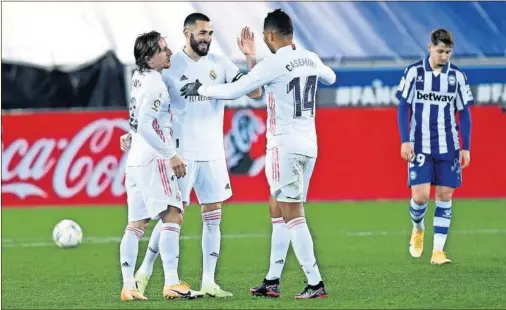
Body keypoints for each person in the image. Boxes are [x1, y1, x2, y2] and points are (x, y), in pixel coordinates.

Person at [180, 9, 336, 299]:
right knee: (277, 208)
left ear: (271, 36)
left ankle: (315, 283)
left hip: (284, 146)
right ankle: (272, 280)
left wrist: (201, 88)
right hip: (309, 146)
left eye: (266, 38)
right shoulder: (311, 57)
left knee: (292, 213)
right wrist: (300, 61)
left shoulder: (274, 63)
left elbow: (238, 89)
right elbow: (330, 76)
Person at [121, 13, 262, 298]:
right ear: (187, 33)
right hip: (179, 152)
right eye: (202, 33)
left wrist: (250, 58)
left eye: (209, 33)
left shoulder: (220, 63)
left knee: (213, 215)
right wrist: (134, 133)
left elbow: (255, 91)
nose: (207, 38)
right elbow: (149, 109)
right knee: (172, 214)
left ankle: (209, 281)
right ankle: (147, 270)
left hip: (212, 151)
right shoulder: (170, 67)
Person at [120, 30, 203, 301]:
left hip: (135, 158)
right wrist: (171, 155)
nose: (168, 53)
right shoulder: (156, 83)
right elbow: (146, 123)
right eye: (163, 50)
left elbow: (138, 119)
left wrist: (130, 134)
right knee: (173, 215)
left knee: (135, 225)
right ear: (148, 57)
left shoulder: (138, 76)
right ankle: (172, 283)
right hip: (154, 157)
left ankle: (129, 286)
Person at [396, 28, 473, 264]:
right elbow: (402, 107)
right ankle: (418, 229)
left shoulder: (457, 77)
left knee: (444, 194)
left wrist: (465, 146)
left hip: (448, 144)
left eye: (448, 52)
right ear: (430, 48)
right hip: (419, 145)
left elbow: (465, 113)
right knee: (420, 197)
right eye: (440, 51)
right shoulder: (414, 73)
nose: (444, 56)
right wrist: (404, 140)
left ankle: (438, 251)